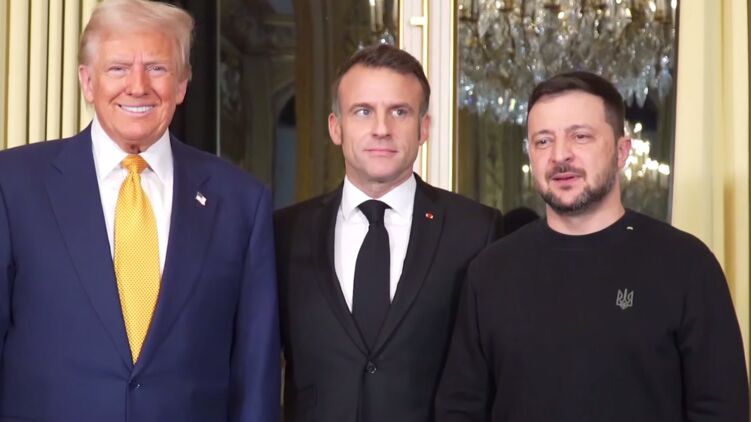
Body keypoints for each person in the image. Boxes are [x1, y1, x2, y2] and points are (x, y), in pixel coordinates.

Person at [0, 1, 279, 420]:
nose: (137, 86)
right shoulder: (13, 185)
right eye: (118, 68)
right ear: (87, 82)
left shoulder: (241, 202)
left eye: (156, 68)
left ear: (182, 84)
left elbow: (255, 373)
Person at [435, 71, 749, 421]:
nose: (560, 156)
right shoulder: (490, 272)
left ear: (621, 151)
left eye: (580, 136)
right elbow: (460, 409)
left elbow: (721, 408)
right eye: (543, 141)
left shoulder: (687, 265)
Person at [274, 44, 504, 422]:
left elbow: (491, 373)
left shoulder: (475, 230)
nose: (381, 129)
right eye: (363, 111)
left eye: (399, 112)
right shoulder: (284, 233)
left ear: (424, 128)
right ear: (336, 127)